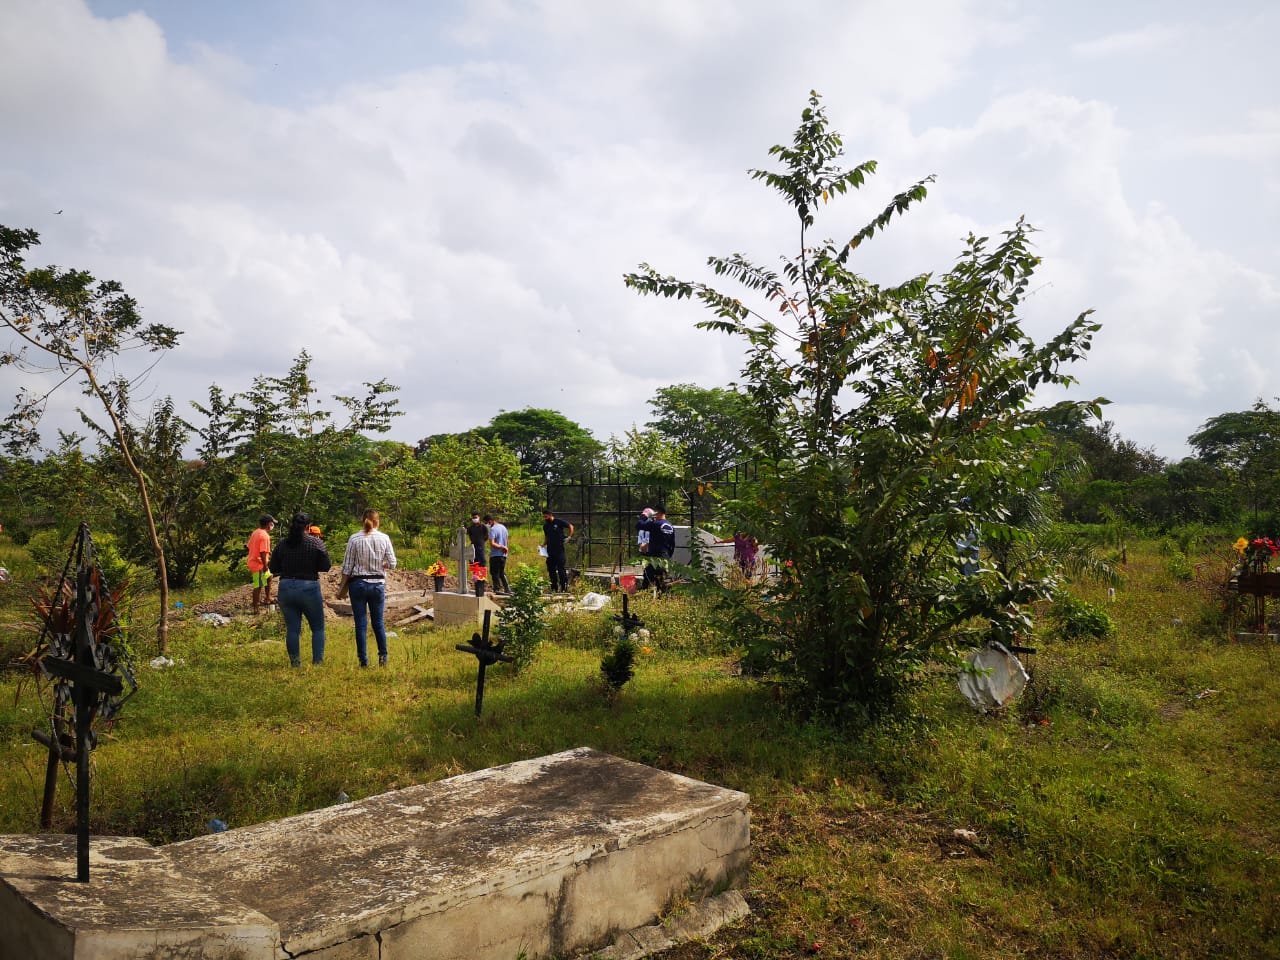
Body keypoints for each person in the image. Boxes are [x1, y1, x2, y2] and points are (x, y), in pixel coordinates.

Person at [267, 512, 331, 667]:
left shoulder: (282, 544)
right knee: (317, 628)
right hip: (309, 586)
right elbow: (326, 566)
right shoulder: (315, 543)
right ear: (308, 527)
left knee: (293, 629)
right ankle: (317, 663)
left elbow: (272, 567)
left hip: (286, 586)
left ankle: (295, 663)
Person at [337, 509, 398, 667]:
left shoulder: (354, 539)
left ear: (362, 520)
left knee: (361, 624)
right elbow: (392, 563)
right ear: (377, 522)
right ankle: (383, 657)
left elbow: (347, 566)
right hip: (377, 584)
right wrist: (381, 564)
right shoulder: (384, 538)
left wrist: (341, 587)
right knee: (378, 623)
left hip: (358, 584)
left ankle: (363, 661)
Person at [636, 507, 675, 593]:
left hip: (654, 556)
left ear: (658, 512)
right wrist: (668, 556)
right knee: (661, 578)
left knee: (648, 576)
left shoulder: (656, 524)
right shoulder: (670, 526)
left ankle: (644, 594)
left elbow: (639, 525)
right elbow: (672, 544)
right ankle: (662, 597)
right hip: (665, 556)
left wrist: (645, 516)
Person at [247, 514, 276, 615]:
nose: (272, 525)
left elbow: (249, 546)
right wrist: (265, 565)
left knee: (269, 577)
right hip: (258, 563)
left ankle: (267, 597)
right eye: (272, 523)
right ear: (269, 524)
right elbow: (263, 552)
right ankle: (256, 608)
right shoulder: (264, 536)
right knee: (258, 585)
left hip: (254, 560)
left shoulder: (256, 532)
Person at [541, 507, 574, 593]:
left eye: (546, 517)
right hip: (550, 551)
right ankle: (554, 588)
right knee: (551, 570)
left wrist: (569, 537)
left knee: (561, 569)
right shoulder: (545, 526)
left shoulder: (558, 522)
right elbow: (546, 536)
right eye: (544, 517)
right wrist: (543, 544)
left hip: (559, 550)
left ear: (550, 515)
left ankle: (564, 587)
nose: (545, 518)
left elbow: (570, 526)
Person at [486, 515, 510, 593]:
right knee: (501, 572)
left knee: (494, 572)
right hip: (503, 554)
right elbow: (507, 540)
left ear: (490, 521)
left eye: (487, 523)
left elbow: (492, 543)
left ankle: (497, 589)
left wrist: (501, 547)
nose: (487, 524)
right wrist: (506, 548)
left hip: (495, 554)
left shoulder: (492, 529)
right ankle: (507, 588)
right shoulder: (503, 527)